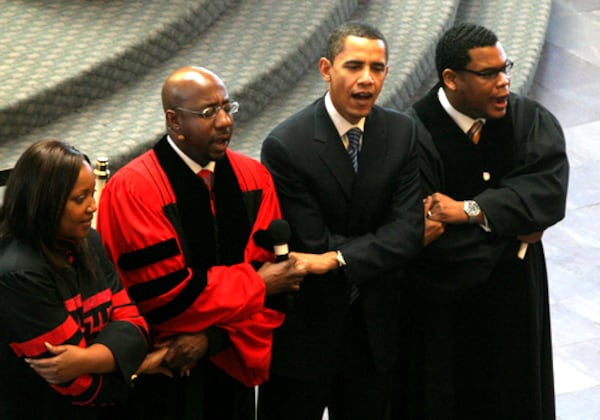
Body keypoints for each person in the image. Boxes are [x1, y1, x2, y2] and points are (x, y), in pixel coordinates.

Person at [96, 66, 307, 419]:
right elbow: (163, 296)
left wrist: (212, 341)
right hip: (164, 370)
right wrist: (255, 284)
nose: (225, 121)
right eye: (209, 112)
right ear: (174, 122)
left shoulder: (254, 179)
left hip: (231, 368)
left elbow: (278, 284)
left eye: (228, 107)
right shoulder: (133, 189)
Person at [402, 23, 569, 419]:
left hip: (516, 305)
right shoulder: (411, 134)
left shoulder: (526, 118)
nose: (504, 82)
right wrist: (513, 236)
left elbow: (546, 193)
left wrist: (471, 211)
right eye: (489, 73)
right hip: (443, 313)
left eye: (505, 68)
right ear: (451, 79)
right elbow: (426, 233)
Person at [258, 21, 423, 420]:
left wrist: (337, 259)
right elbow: (311, 242)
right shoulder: (287, 145)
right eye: (354, 66)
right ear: (326, 69)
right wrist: (370, 248)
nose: (367, 80)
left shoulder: (401, 132)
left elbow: (408, 232)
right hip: (307, 334)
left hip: (375, 334)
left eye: (378, 68)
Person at [0, 140, 150, 419]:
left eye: (92, 194)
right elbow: (72, 383)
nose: (93, 207)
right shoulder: (18, 274)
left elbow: (135, 324)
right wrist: (130, 368)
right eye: (79, 199)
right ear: (44, 202)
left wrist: (86, 359)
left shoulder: (88, 241)